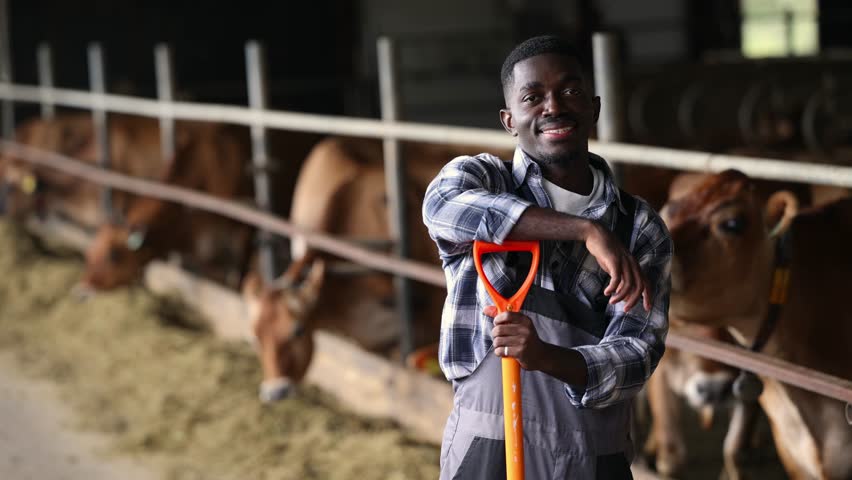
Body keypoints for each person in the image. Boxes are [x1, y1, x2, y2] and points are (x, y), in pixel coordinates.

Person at [422, 35, 672, 479]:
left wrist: (545, 356)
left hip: (593, 458)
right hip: (487, 450)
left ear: (593, 107)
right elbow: (441, 207)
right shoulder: (482, 180)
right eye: (533, 97)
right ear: (509, 120)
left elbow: (638, 351)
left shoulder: (638, 227)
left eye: (569, 92)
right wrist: (585, 230)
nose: (553, 107)